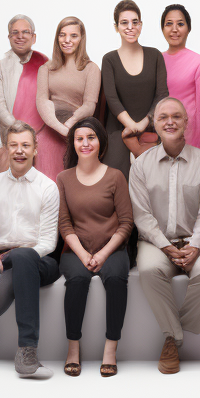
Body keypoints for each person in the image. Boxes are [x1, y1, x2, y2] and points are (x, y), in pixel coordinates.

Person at [131, 98, 200, 374]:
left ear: (186, 122)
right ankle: (174, 338)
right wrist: (165, 246)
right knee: (148, 270)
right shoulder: (141, 165)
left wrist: (195, 245)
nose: (170, 121)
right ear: (155, 124)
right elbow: (142, 215)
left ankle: (172, 331)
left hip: (197, 241)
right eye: (163, 117)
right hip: (156, 243)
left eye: (176, 116)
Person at [0, 122, 61, 378]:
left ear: (35, 149)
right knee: (12, 272)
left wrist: (12, 255)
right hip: (3, 259)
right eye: (14, 145)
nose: (20, 151)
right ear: (6, 149)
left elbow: (48, 242)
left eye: (26, 145)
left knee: (22, 257)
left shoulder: (48, 188)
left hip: (41, 261)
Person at [56, 117, 134, 377]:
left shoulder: (115, 176)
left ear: (100, 143)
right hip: (76, 250)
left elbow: (126, 223)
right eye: (79, 139)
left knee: (115, 278)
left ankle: (110, 350)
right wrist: (83, 254)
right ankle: (73, 348)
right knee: (77, 279)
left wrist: (102, 254)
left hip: (112, 249)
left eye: (91, 137)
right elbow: (65, 225)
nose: (85, 143)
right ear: (73, 143)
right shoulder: (64, 178)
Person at [101, 0, 169, 175]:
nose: (130, 27)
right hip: (118, 131)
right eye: (124, 22)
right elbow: (112, 98)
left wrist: (143, 124)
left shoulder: (155, 56)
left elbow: (162, 94)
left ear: (141, 24)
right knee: (117, 182)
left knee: (154, 183)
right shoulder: (109, 59)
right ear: (116, 27)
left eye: (135, 22)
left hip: (151, 130)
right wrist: (131, 125)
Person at [35, 16, 101, 181]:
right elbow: (42, 101)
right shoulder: (46, 69)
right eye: (62, 35)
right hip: (51, 125)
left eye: (73, 35)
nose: (67, 40)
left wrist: (70, 125)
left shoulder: (91, 68)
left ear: (81, 39)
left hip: (77, 127)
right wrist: (61, 128)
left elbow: (89, 105)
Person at [0, 14, 49, 175]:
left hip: (44, 142)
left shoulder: (47, 64)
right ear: (9, 37)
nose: (20, 36)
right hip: (12, 141)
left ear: (33, 37)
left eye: (25, 32)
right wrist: (20, 132)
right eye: (15, 32)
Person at [159, 4, 200, 148]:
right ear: (162, 29)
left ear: (188, 29)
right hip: (160, 135)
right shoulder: (156, 60)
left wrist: (197, 145)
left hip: (188, 137)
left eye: (180, 24)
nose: (174, 29)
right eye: (169, 24)